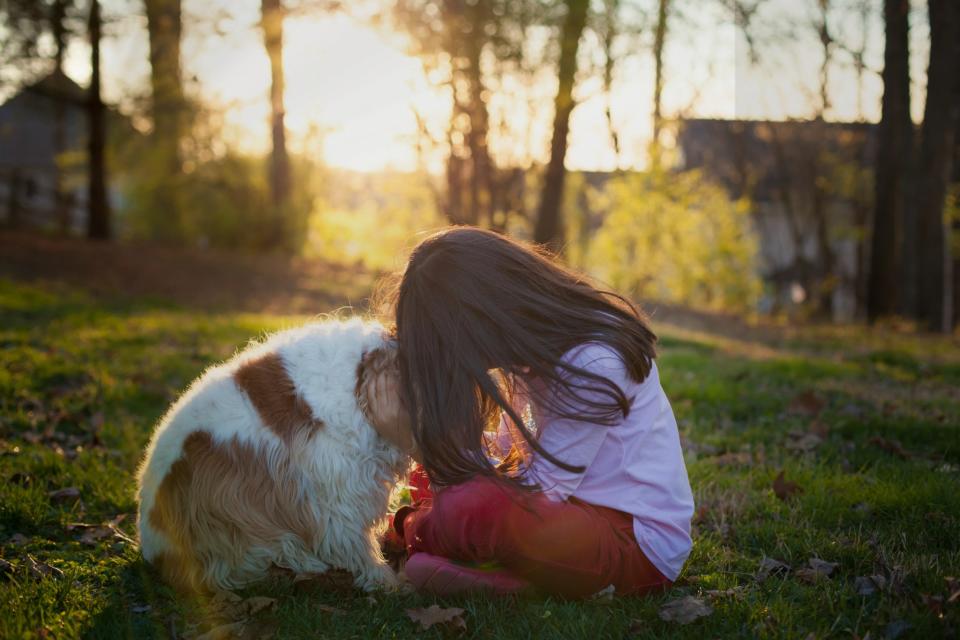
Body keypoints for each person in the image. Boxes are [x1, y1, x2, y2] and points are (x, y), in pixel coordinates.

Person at [367, 227, 694, 598]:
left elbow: (541, 489)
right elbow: (511, 452)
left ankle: (422, 536)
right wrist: (432, 440)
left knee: (468, 504)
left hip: (632, 544)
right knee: (442, 469)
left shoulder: (592, 361)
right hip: (563, 514)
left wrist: (419, 509)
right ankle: (483, 565)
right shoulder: (530, 351)